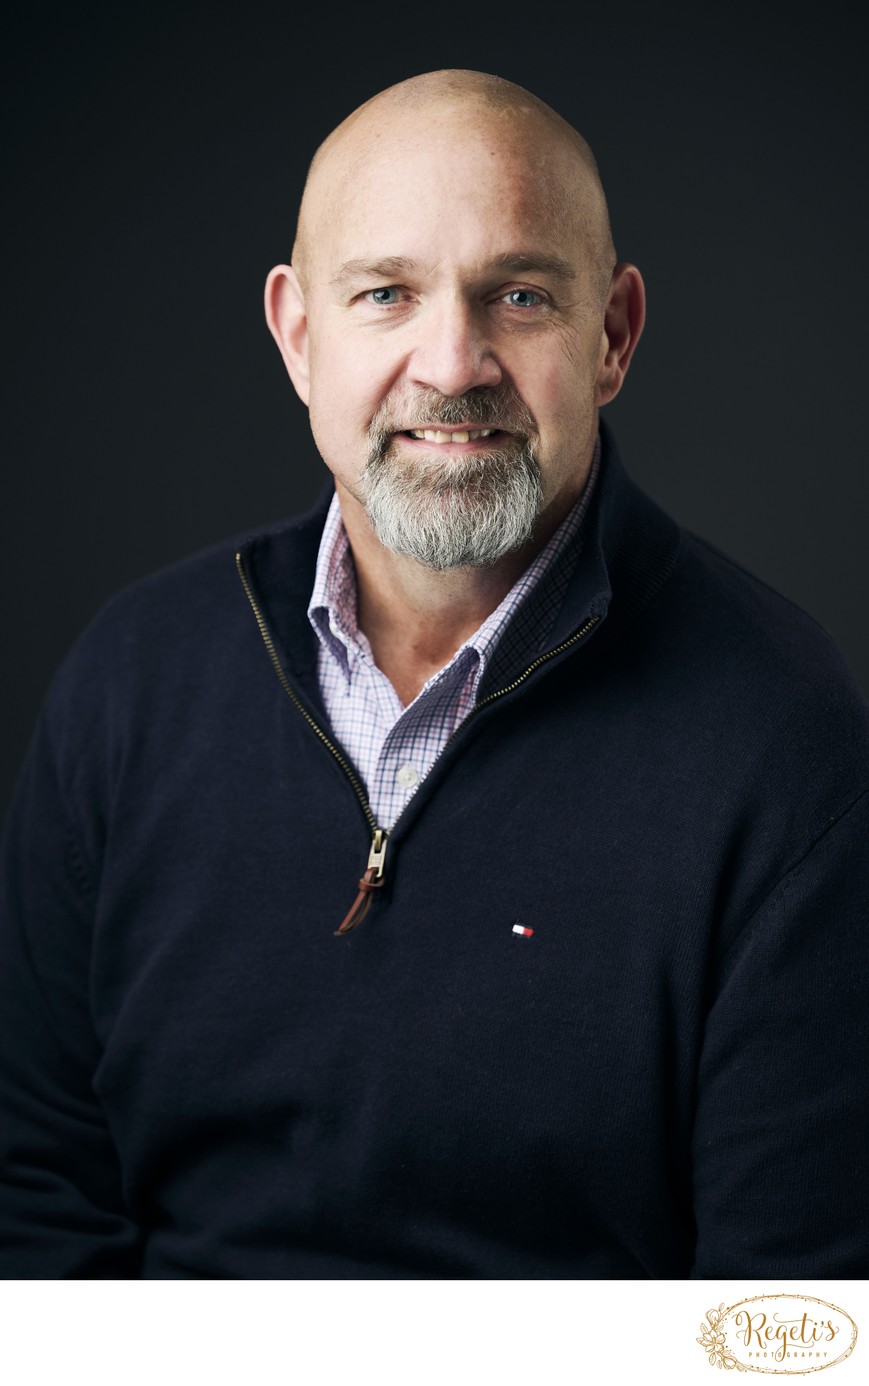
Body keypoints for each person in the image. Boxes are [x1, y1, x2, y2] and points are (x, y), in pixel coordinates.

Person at [1, 69, 867, 1281]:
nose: (451, 363)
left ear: (610, 335)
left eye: (517, 294)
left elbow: (788, 1314)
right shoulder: (130, 683)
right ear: (298, 335)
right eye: (385, 294)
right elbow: (33, 1198)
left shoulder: (783, 741)